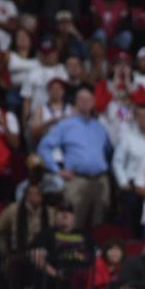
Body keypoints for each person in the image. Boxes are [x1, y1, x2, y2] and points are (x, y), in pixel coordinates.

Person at [37, 87, 112, 230]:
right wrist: (56, 170)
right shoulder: (65, 125)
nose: (85, 103)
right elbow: (44, 146)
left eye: (88, 99)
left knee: (100, 224)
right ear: (75, 103)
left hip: (101, 181)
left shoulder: (100, 127)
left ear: (93, 103)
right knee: (72, 223)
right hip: (77, 179)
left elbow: (109, 151)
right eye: (81, 99)